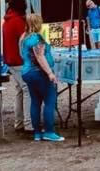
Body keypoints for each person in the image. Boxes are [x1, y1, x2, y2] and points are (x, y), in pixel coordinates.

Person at [19, 13, 64, 142]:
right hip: (38, 72)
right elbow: (40, 56)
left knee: (35, 101)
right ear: (38, 23)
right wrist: (50, 73)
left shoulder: (23, 37)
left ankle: (37, 133)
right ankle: (49, 131)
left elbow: (22, 54)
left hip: (27, 72)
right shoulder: (36, 38)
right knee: (50, 101)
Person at [3, 0, 30, 132]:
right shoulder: (18, 21)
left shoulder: (7, 21)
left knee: (20, 91)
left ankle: (19, 123)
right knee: (27, 90)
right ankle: (29, 124)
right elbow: (26, 42)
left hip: (10, 61)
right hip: (19, 61)